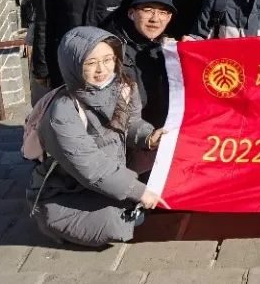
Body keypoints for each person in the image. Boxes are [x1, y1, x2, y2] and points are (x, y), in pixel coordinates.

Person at [27, 27, 167, 247]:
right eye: (90, 63)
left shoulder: (124, 87)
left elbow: (130, 123)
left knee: (162, 165)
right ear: (73, 65)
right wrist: (138, 191)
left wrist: (148, 137)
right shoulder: (62, 111)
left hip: (113, 171)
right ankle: (48, 218)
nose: (101, 69)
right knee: (116, 224)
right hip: (68, 188)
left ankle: (118, 201)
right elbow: (91, 167)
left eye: (108, 60)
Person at [108, 0, 174, 130]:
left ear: (169, 17)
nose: (155, 19)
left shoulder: (169, 51)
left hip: (160, 133)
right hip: (123, 132)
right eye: (148, 10)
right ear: (131, 13)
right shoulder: (111, 49)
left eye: (162, 12)